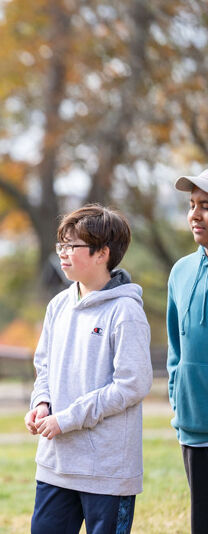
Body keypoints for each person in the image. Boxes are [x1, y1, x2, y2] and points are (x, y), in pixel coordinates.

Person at [23, 204, 152, 534]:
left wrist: (66, 419)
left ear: (102, 253)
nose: (63, 254)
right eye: (61, 245)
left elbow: (132, 385)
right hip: (56, 464)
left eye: (72, 246)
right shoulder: (58, 305)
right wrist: (41, 403)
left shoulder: (125, 312)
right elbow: (45, 365)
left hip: (106, 471)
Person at [167, 169, 208, 534]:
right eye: (192, 205)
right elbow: (175, 349)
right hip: (194, 428)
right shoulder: (181, 271)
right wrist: (177, 399)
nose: (195, 215)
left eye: (206, 206)